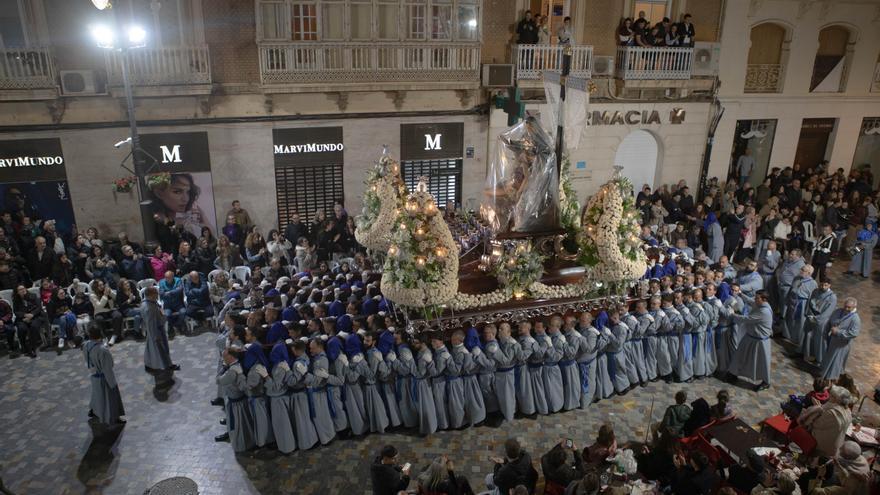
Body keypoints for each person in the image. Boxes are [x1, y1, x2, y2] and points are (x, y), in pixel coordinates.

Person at [728, 290, 773, 391]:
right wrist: (740, 294)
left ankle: (766, 382)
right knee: (739, 354)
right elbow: (750, 301)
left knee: (762, 362)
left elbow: (747, 319)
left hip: (760, 341)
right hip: (750, 337)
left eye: (757, 298)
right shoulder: (760, 304)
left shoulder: (764, 311)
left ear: (764, 300)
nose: (755, 300)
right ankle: (733, 373)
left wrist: (732, 315)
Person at [83, 325, 125, 426]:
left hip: (94, 375)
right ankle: (112, 417)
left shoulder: (86, 345)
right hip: (104, 377)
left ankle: (94, 410)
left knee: (96, 394)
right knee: (109, 398)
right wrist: (112, 383)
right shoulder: (102, 350)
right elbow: (108, 367)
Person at [216, 346, 256, 452]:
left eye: (224, 356)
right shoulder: (236, 366)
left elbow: (219, 380)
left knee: (239, 426)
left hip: (237, 404)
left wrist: (223, 368)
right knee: (241, 424)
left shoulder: (232, 371)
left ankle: (242, 444)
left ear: (230, 357)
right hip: (238, 401)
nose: (223, 358)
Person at [799, 386, 853, 457]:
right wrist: (820, 407)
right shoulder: (848, 411)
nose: (829, 397)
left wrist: (817, 408)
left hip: (821, 445)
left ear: (836, 399)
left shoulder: (832, 413)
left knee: (802, 425)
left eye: (832, 396)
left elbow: (815, 424)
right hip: (836, 443)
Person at [820, 297, 860, 381]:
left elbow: (854, 333)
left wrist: (838, 332)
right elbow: (830, 321)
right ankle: (825, 375)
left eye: (849, 307)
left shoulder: (855, 318)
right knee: (829, 358)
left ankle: (831, 379)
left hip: (842, 345)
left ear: (854, 307)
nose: (846, 308)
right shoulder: (838, 311)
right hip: (832, 341)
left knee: (836, 362)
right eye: (845, 306)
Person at [141, 287, 178, 373]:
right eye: (155, 294)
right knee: (161, 350)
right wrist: (156, 336)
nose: (157, 295)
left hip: (153, 331)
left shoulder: (147, 303)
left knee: (152, 349)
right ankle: (167, 366)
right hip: (157, 331)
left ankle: (150, 365)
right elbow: (152, 323)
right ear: (150, 295)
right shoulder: (149, 308)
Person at [487, 323, 517, 423]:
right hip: (501, 374)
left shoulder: (510, 343)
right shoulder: (502, 341)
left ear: (508, 332)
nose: (499, 331)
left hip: (506, 374)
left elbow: (506, 361)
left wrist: (496, 352)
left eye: (502, 329)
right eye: (499, 329)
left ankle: (509, 416)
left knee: (507, 396)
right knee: (502, 395)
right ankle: (506, 413)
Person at [802, 279, 837, 364]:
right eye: (821, 285)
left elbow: (828, 311)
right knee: (809, 335)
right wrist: (811, 313)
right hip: (812, 316)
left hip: (822, 320)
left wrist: (817, 318)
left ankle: (820, 358)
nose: (822, 287)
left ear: (829, 285)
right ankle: (808, 353)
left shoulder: (832, 297)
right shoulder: (816, 291)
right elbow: (811, 302)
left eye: (825, 285)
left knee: (820, 340)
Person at [781, 264, 817, 348]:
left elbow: (812, 298)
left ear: (809, 273)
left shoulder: (813, 283)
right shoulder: (796, 278)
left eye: (803, 270)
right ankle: (788, 335)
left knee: (800, 322)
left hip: (802, 304)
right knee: (789, 319)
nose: (800, 271)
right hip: (792, 301)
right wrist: (787, 301)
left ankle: (798, 340)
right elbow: (791, 290)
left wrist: (808, 310)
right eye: (801, 269)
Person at [12, 284, 46, 357]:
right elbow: (16, 312)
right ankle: (23, 346)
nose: (23, 290)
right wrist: (25, 315)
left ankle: (32, 348)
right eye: (20, 289)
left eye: (23, 288)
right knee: (21, 328)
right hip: (23, 318)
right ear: (17, 292)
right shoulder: (16, 300)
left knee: (34, 326)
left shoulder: (33, 296)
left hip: (35, 316)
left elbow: (39, 307)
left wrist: (32, 315)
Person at [158, 270, 185, 336]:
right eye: (166, 278)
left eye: (169, 278)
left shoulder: (178, 280)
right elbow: (161, 293)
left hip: (178, 303)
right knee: (167, 315)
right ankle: (171, 326)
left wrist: (169, 292)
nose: (167, 279)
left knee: (183, 312)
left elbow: (180, 290)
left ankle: (177, 325)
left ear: (173, 277)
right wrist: (174, 292)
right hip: (168, 304)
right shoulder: (161, 282)